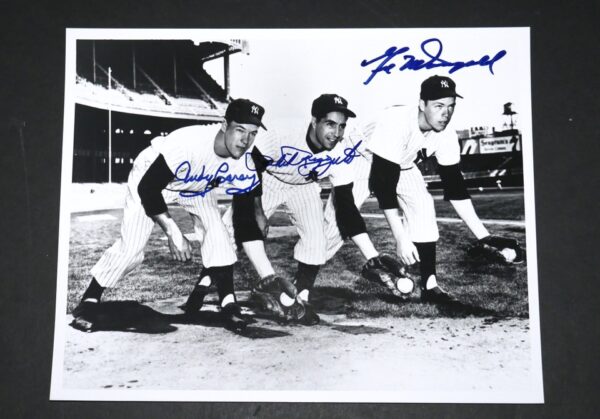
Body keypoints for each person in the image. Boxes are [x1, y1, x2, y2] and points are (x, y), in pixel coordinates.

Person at [71, 98, 289, 332]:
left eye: (253, 133)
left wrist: (258, 213)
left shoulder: (245, 158)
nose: (246, 140)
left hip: (196, 185)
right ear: (224, 125)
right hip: (153, 178)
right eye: (240, 130)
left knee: (217, 233)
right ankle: (89, 300)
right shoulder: (189, 143)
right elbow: (149, 188)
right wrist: (173, 232)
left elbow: (251, 188)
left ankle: (229, 304)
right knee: (132, 247)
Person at [211, 94, 414, 326]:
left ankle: (302, 299)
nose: (336, 133)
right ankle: (225, 297)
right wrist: (258, 212)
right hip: (269, 180)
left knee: (317, 242)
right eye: (330, 124)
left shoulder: (339, 153)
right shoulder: (280, 133)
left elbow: (346, 208)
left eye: (341, 126)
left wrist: (372, 255)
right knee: (227, 229)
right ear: (314, 121)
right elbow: (250, 171)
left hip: (304, 187)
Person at [365, 75, 516, 303]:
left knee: (424, 205)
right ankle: (303, 287)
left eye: (450, 106)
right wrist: (401, 237)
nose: (446, 113)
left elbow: (455, 187)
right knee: (332, 233)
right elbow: (383, 184)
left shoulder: (446, 134)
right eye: (438, 106)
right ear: (421, 104)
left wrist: (484, 236)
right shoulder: (397, 121)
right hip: (361, 157)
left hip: (402, 164)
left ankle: (429, 285)